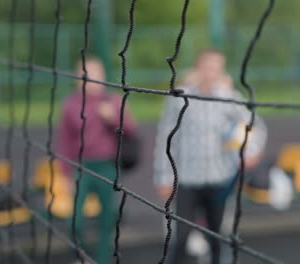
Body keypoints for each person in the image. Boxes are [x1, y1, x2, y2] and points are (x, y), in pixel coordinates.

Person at [154, 49, 267, 264]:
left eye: (216, 68)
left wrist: (252, 152)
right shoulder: (180, 97)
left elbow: (257, 126)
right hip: (187, 179)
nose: (211, 72)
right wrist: (163, 176)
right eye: (207, 67)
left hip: (219, 179)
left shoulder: (229, 97)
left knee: (217, 236)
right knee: (181, 237)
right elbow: (165, 139)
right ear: (197, 68)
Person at [57, 57, 136, 264]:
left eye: (94, 74)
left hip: (107, 166)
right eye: (85, 74)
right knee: (74, 221)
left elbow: (131, 130)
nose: (90, 79)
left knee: (107, 218)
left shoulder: (114, 100)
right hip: (80, 167)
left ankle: (102, 260)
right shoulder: (70, 104)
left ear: (102, 76)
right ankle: (81, 256)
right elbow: (64, 142)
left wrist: (113, 119)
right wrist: (66, 174)